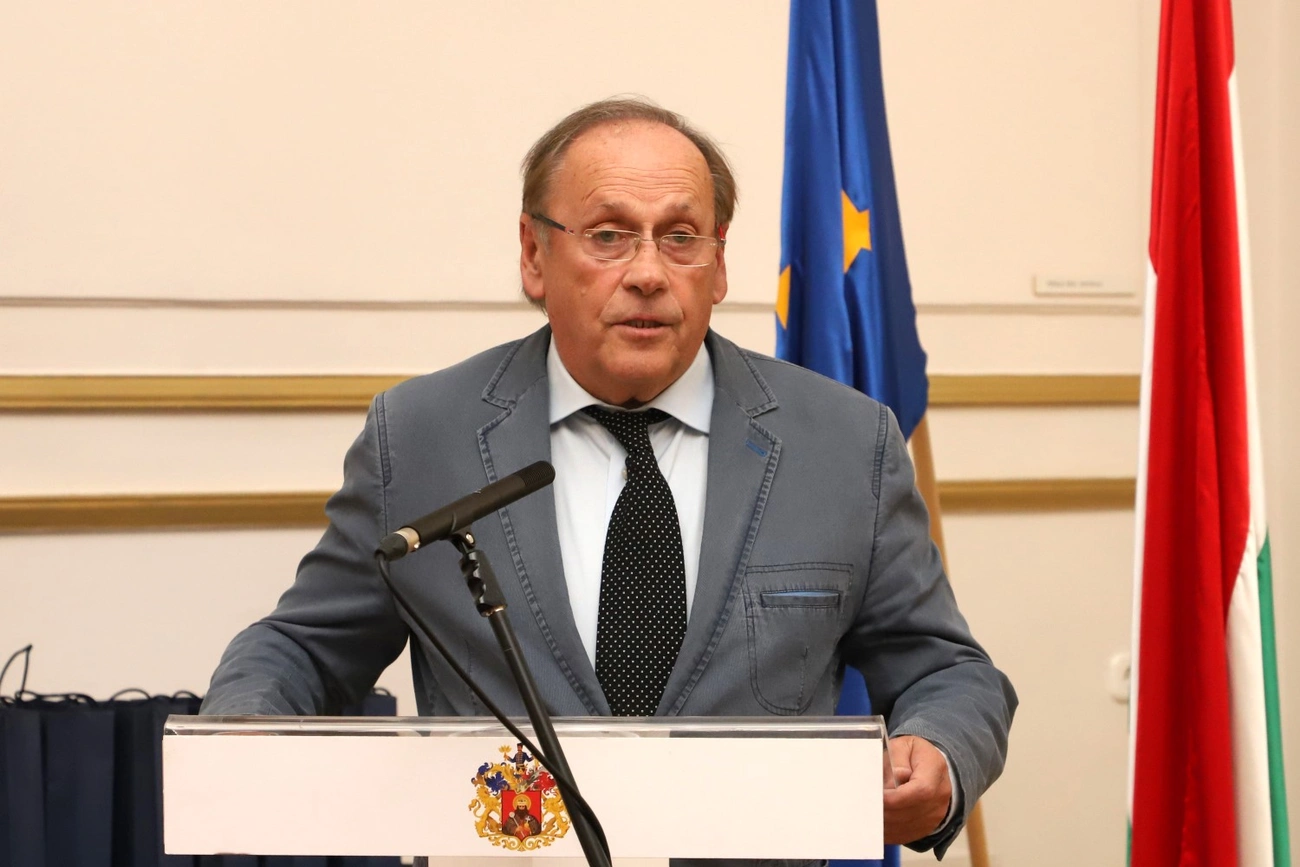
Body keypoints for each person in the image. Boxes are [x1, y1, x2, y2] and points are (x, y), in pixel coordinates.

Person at [202, 97, 1016, 859]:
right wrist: (245, 724)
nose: (649, 272)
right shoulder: (422, 435)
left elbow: (949, 671)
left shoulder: (843, 443)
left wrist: (941, 753)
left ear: (719, 264)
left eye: (681, 237)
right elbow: (304, 648)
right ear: (534, 254)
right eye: (609, 235)